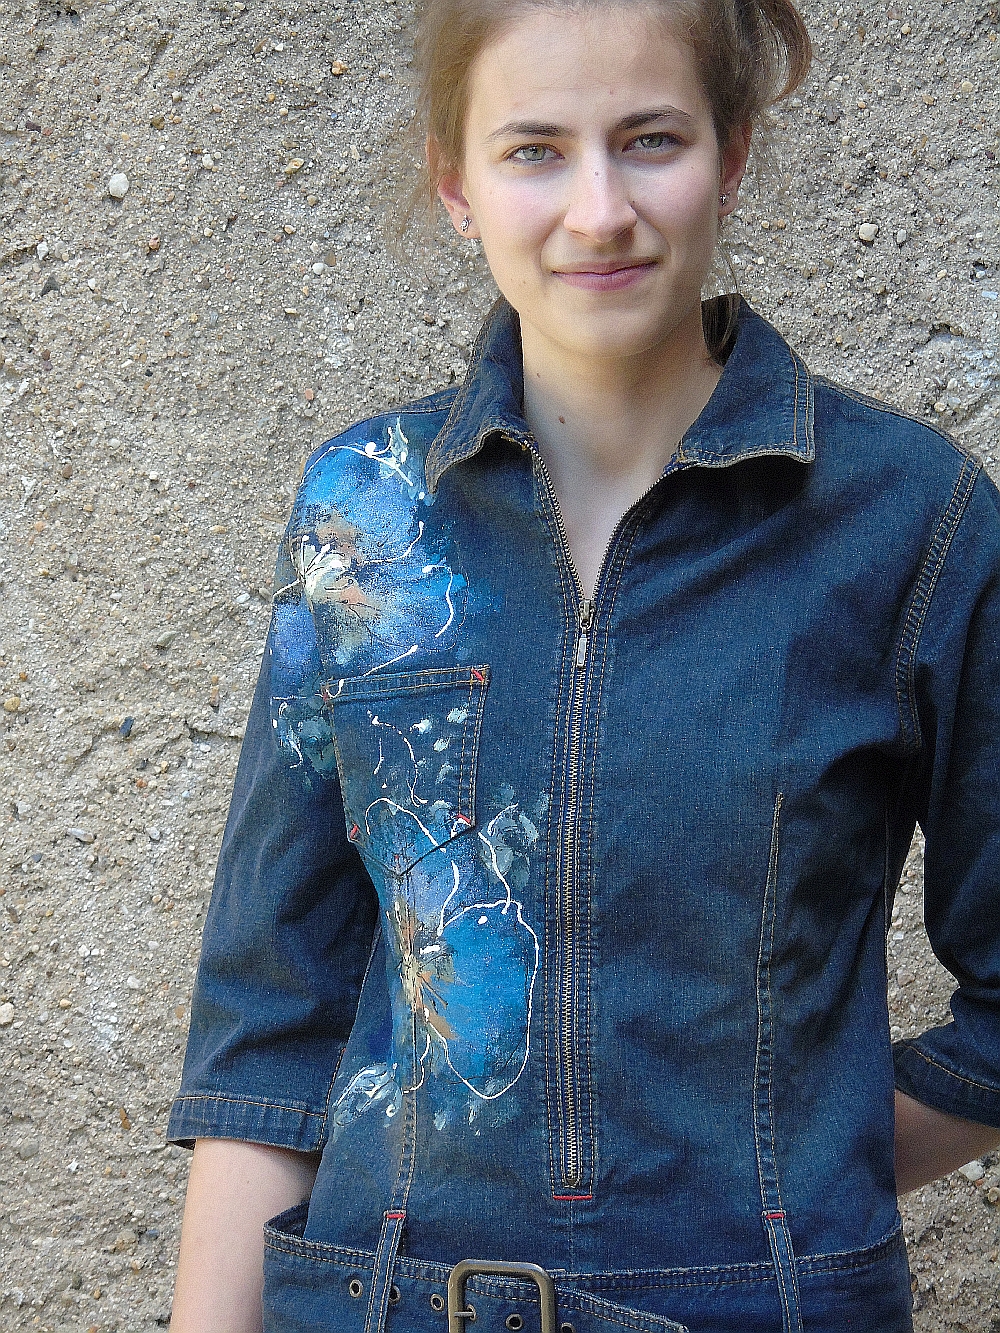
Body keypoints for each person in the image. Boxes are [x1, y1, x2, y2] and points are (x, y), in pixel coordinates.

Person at [167, 1, 1000, 1330]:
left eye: (650, 140)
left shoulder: (912, 521)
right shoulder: (366, 505)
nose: (599, 211)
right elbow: (271, 1029)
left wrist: (802, 1172)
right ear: (456, 182)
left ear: (731, 154)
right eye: (535, 151)